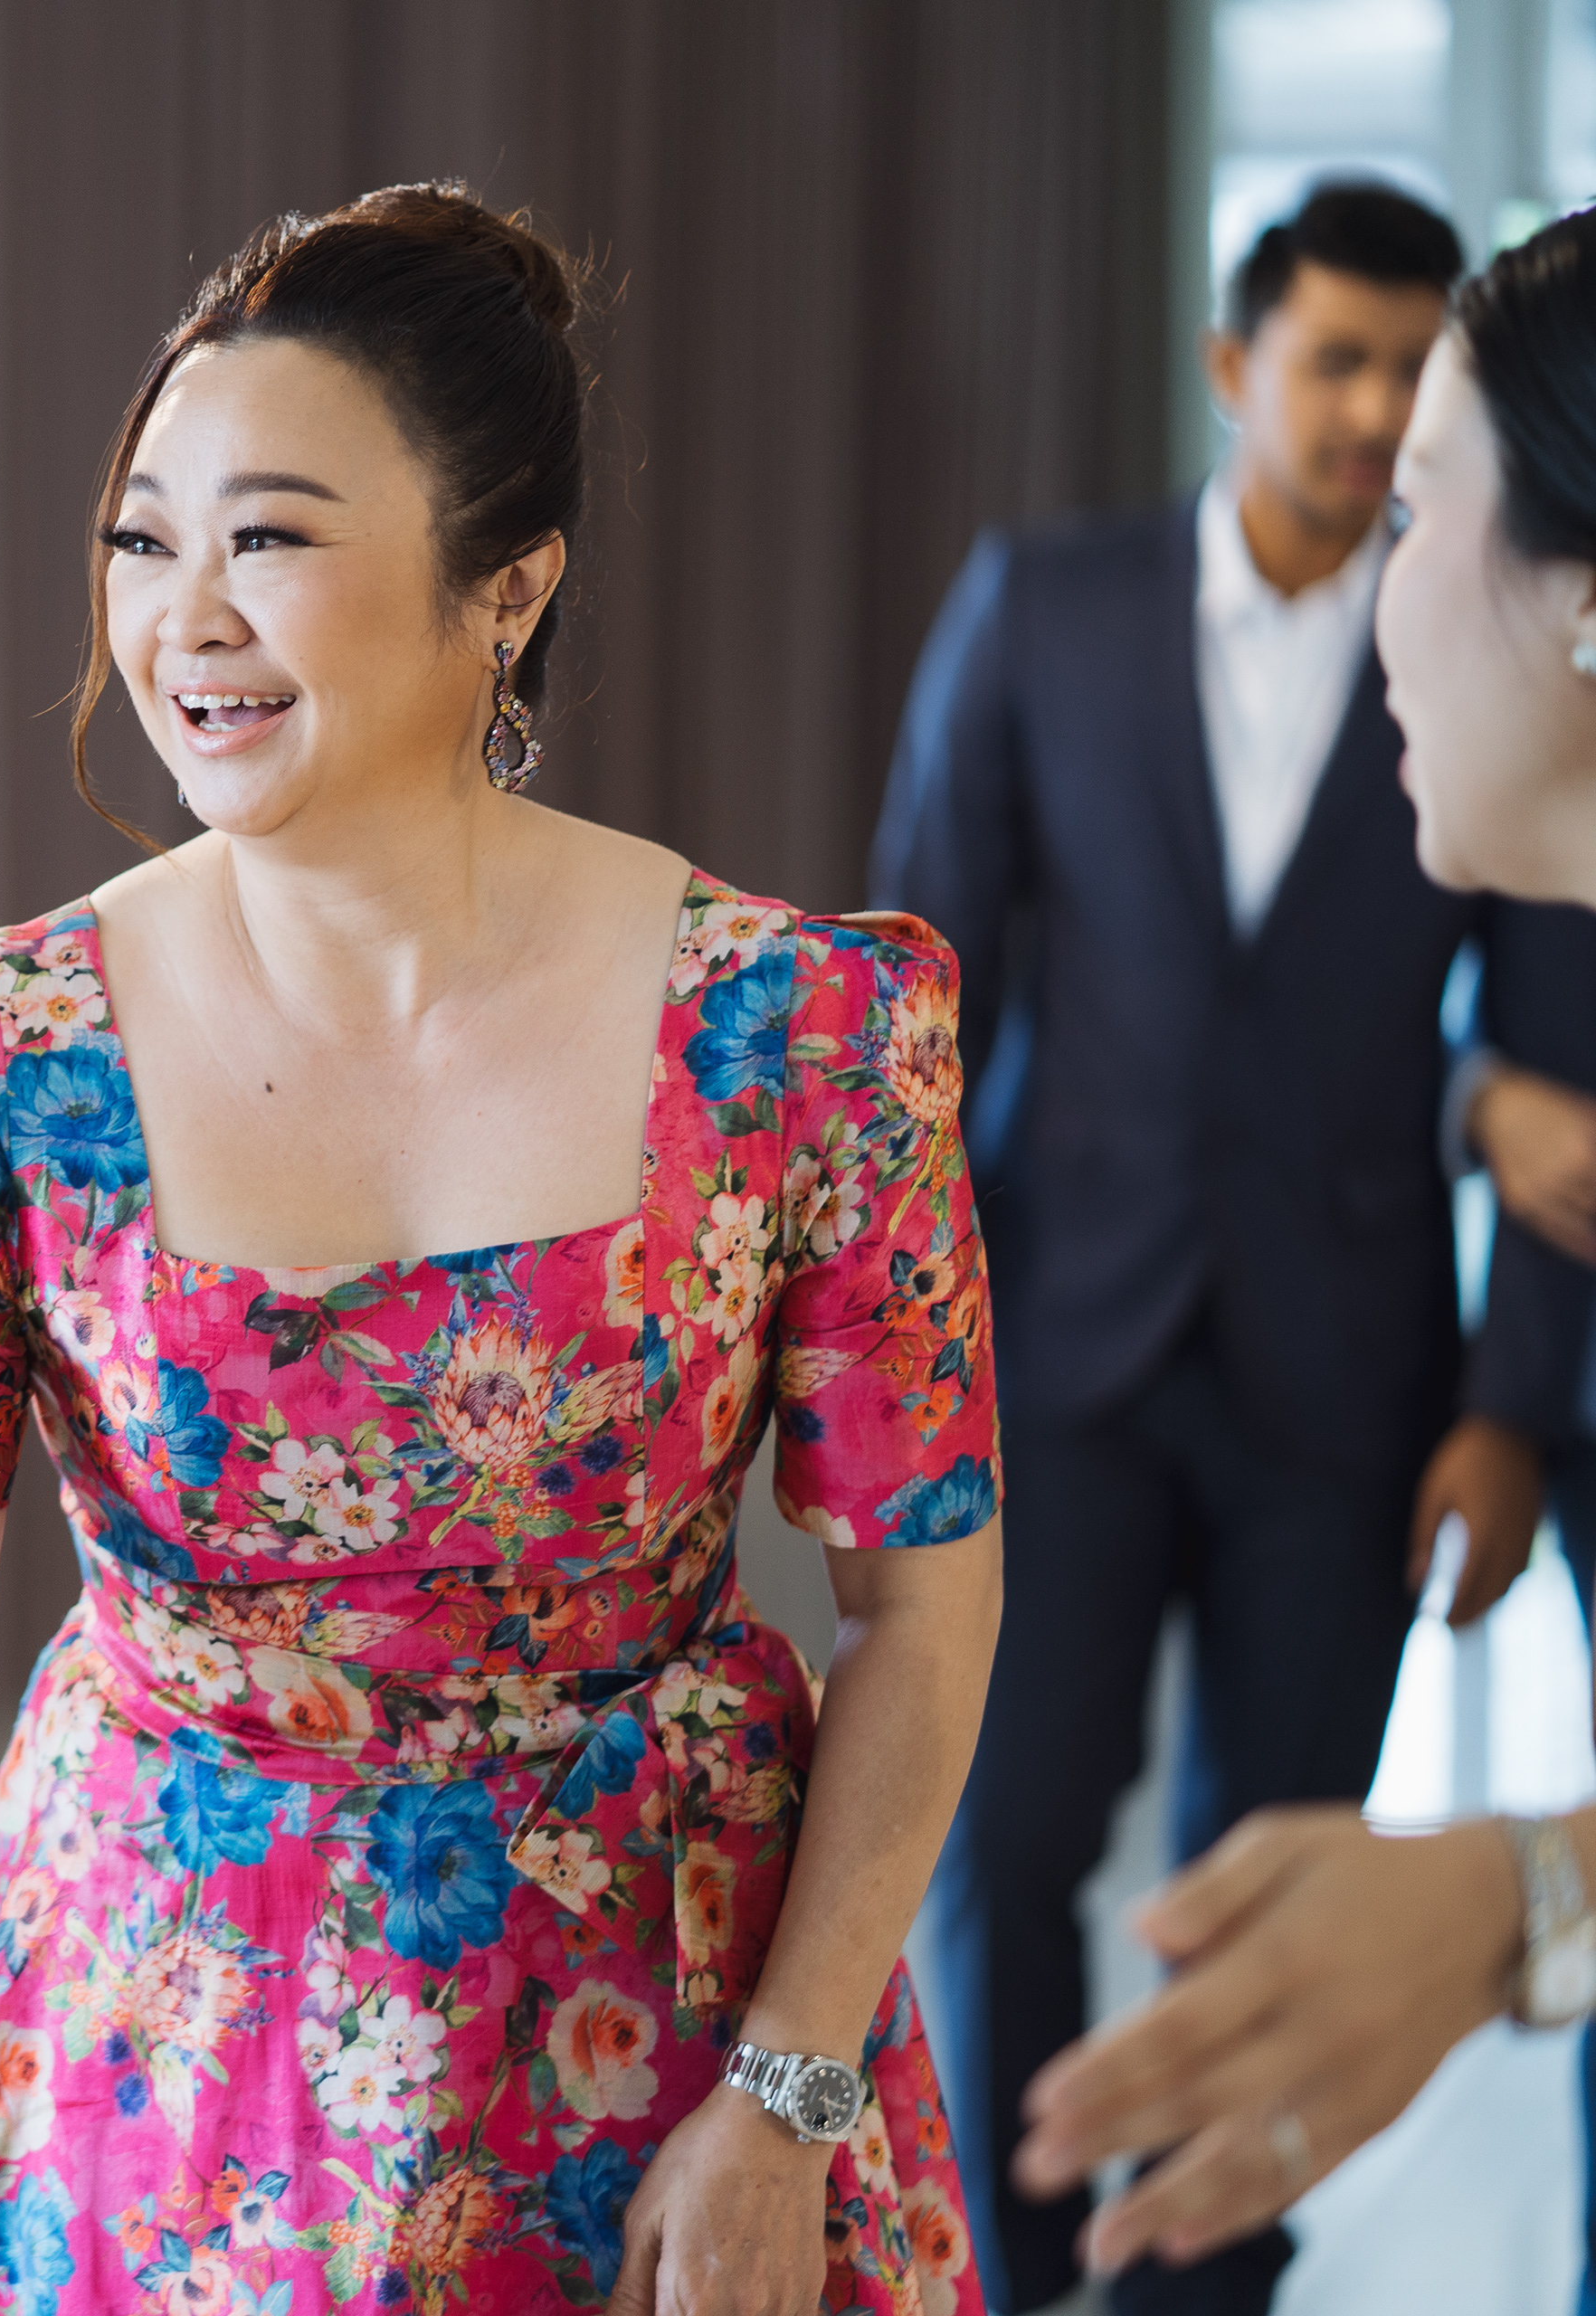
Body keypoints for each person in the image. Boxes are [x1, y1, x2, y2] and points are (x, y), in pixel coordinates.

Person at [0, 184, 1006, 2316]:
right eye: (145, 541)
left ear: (508, 583)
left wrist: (787, 2089)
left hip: (679, 2020)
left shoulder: (806, 1031)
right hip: (168, 2034)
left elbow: (923, 1605)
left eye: (271, 537)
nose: (183, 618)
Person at [868, 176, 1596, 2316]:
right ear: (1230, 366)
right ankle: (1015, 2268)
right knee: (1005, 1841)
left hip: (1344, 1370)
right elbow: (917, 1008)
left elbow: (1558, 1065)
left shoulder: (1492, 648)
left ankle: (1199, 2289)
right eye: (1338, 361)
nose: (1371, 415)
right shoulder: (1045, 607)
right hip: (1059, 1349)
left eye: (1414, 384)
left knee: (1270, 1864)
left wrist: (1509, 1409)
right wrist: (891, 1372)